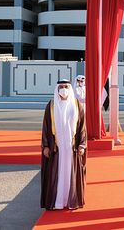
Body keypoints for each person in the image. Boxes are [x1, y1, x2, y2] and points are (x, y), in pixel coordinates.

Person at [40, 79, 87, 210]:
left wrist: (82, 145)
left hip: (72, 147)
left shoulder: (77, 105)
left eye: (66, 86)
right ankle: (57, 202)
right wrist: (46, 146)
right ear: (57, 89)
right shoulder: (51, 105)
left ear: (70, 88)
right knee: (56, 173)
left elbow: (82, 126)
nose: (63, 89)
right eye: (61, 87)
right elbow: (45, 127)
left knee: (71, 172)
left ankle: (71, 201)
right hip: (57, 147)